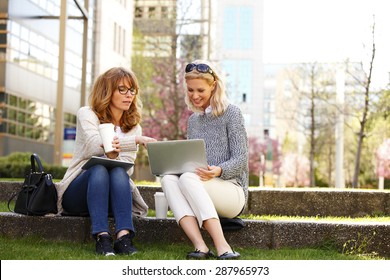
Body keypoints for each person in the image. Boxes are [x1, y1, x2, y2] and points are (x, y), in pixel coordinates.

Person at [56, 67, 156, 256]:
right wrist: (133, 142)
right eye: (122, 89)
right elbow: (95, 146)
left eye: (132, 90)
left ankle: (123, 237)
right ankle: (102, 237)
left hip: (112, 195)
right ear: (107, 91)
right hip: (78, 194)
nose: (129, 95)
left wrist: (122, 146)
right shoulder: (88, 114)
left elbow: (126, 165)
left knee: (118, 171)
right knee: (99, 168)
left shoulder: (134, 127)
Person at [161, 60, 249, 260]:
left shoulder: (232, 113)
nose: (194, 95)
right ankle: (200, 246)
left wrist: (218, 171)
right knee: (168, 179)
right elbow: (189, 159)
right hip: (199, 185)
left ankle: (223, 247)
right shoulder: (193, 120)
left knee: (187, 179)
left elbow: (241, 159)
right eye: (190, 90)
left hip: (232, 191)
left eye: (200, 90)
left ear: (213, 85)